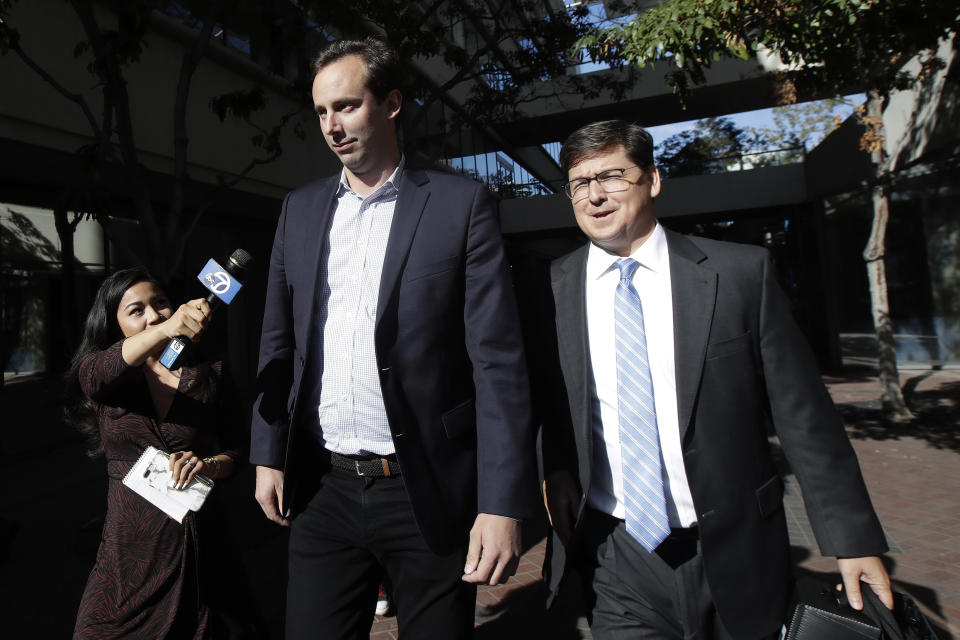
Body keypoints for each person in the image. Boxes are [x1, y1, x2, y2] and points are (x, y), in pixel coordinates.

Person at [535, 120, 893, 640]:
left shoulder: (740, 275)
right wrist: (558, 470)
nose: (594, 195)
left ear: (653, 179)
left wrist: (851, 539)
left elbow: (804, 419)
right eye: (579, 183)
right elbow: (546, 395)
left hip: (735, 546)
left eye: (612, 176)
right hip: (617, 555)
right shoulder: (551, 288)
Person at [249, 37, 536, 639]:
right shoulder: (299, 210)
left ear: (392, 104)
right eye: (322, 111)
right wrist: (266, 451)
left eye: (348, 106)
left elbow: (497, 363)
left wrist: (502, 501)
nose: (332, 125)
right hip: (323, 486)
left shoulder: (460, 205)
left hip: (424, 485)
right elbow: (277, 339)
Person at [68, 267, 246, 639]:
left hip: (198, 550)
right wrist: (165, 329)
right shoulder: (104, 374)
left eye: (160, 304)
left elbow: (237, 452)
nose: (153, 315)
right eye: (136, 310)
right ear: (114, 324)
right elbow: (97, 374)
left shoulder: (210, 374)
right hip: (127, 560)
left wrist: (209, 464)